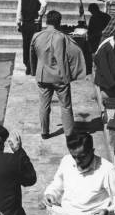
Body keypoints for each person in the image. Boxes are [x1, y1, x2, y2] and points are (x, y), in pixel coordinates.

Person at [30, 10, 86, 139]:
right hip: (59, 76)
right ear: (59, 22)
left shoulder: (36, 36)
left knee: (44, 105)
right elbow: (61, 58)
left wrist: (34, 71)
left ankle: (44, 132)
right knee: (65, 106)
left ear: (46, 21)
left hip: (42, 75)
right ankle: (69, 133)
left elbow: (31, 56)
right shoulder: (60, 37)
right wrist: (66, 77)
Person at [16, 0, 47, 75]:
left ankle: (27, 65)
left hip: (25, 24)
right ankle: (34, 66)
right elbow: (44, 4)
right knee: (36, 45)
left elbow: (19, 11)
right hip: (35, 24)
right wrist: (40, 15)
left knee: (26, 44)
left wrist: (18, 23)